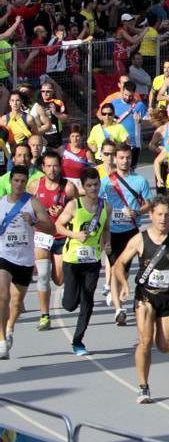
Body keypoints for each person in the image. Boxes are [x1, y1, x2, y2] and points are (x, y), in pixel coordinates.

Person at [112, 196, 169, 404]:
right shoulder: (140, 240)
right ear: (151, 215)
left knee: (164, 345)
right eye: (159, 214)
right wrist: (124, 284)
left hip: (168, 298)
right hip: (146, 296)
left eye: (167, 215)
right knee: (145, 341)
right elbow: (119, 263)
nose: (163, 218)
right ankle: (143, 387)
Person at [0, 166, 56, 359]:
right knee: (3, 296)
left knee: (16, 302)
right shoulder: (0, 204)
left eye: (23, 181)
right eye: (16, 180)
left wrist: (33, 221)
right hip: (4, 256)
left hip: (24, 259)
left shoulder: (33, 203)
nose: (19, 184)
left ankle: (9, 329)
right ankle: (1, 341)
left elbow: (50, 227)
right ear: (10, 181)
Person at [54, 168, 108, 356]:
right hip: (72, 259)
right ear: (83, 187)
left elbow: (106, 229)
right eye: (89, 185)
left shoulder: (105, 206)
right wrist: (74, 234)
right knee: (70, 304)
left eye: (96, 184)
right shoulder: (74, 205)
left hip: (92, 260)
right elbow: (58, 225)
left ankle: (78, 341)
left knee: (88, 300)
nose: (93, 188)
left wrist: (106, 245)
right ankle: (68, 297)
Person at [101, 143, 152, 325]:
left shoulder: (140, 181)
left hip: (131, 231)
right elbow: (99, 205)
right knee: (115, 268)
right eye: (121, 157)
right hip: (112, 231)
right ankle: (118, 309)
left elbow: (149, 204)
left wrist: (138, 211)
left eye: (128, 157)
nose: (125, 161)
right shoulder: (106, 182)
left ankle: (122, 293)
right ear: (115, 159)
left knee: (125, 270)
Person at [31, 150, 76, 330]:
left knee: (58, 279)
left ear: (60, 167)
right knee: (42, 275)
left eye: (55, 166)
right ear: (43, 167)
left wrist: (64, 213)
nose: (52, 170)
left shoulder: (68, 187)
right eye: (48, 166)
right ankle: (44, 315)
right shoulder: (34, 186)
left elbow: (78, 211)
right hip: (42, 235)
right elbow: (28, 210)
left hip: (60, 236)